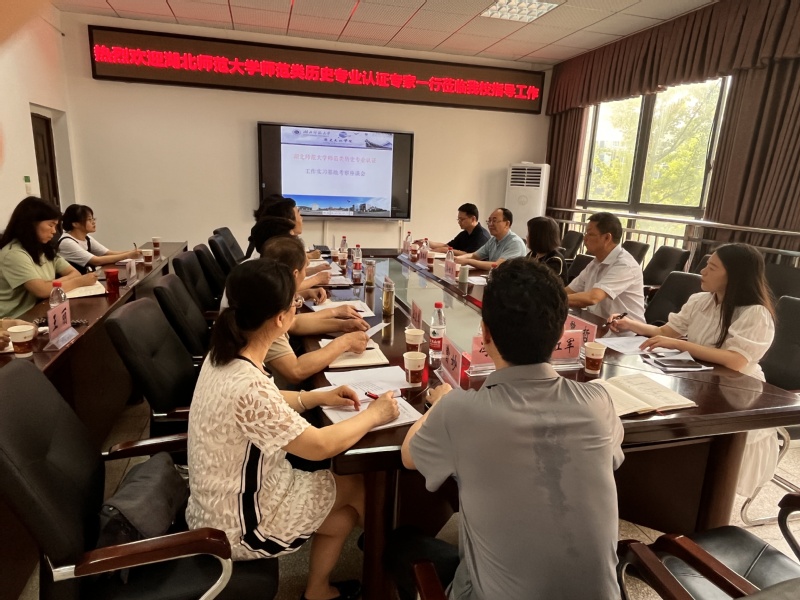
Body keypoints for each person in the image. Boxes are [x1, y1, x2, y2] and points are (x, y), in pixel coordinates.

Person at [387, 258, 624, 600]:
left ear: (484, 333)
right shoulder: (599, 402)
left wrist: (441, 402)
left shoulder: (460, 411)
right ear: (561, 332)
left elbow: (409, 456)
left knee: (400, 544)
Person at [186, 259, 399, 600]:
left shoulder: (223, 355)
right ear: (280, 319)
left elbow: (263, 401)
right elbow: (320, 446)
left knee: (344, 512)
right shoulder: (248, 385)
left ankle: (319, 590)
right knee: (362, 490)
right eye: (295, 303)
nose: (297, 308)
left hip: (217, 505)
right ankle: (390, 582)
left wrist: (315, 397)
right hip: (242, 524)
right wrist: (375, 414)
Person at [609, 243, 777, 496]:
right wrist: (629, 324)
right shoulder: (701, 301)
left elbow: (735, 361)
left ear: (734, 275)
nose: (703, 272)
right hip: (702, 381)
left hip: (738, 392)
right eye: (706, 265)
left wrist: (680, 344)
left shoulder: (755, 313)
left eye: (712, 268)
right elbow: (666, 332)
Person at [257, 235, 370, 388]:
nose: (307, 274)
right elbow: (295, 371)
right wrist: (345, 342)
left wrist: (341, 324)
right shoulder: (268, 308)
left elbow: (294, 323)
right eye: (305, 269)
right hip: (278, 391)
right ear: (295, 274)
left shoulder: (266, 289)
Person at [0, 197, 97, 318]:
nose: (54, 231)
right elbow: (42, 291)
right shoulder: (14, 254)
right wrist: (79, 282)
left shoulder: (44, 249)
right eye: (51, 225)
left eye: (55, 226)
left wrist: (50, 285)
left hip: (42, 309)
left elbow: (74, 273)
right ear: (30, 224)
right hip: (16, 318)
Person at [565, 212, 645, 325]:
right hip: (595, 326)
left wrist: (554, 299)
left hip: (621, 332)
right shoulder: (595, 263)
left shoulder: (625, 265)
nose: (585, 238)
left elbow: (593, 298)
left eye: (590, 234)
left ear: (607, 238)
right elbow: (570, 291)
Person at [57, 204, 140, 273]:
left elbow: (108, 253)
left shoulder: (87, 238)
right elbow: (96, 261)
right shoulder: (67, 242)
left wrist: (133, 252)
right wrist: (128, 255)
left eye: (93, 219)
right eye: (89, 219)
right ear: (75, 224)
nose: (93, 222)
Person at [454, 207, 526, 269]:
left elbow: (498, 265)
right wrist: (456, 259)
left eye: (494, 221)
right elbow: (474, 255)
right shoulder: (493, 240)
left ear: (507, 224)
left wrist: (468, 261)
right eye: (489, 221)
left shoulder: (515, 243)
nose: (490, 224)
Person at [416, 203, 489, 256]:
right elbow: (448, 246)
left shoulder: (481, 236)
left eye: (462, 219)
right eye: (458, 219)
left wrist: (445, 250)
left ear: (473, 219)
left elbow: (471, 255)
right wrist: (427, 243)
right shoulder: (464, 233)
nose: (459, 222)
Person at [526, 215, 566, 283]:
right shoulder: (533, 254)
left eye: (529, 233)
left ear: (538, 237)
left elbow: (542, 284)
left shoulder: (555, 261)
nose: (526, 236)